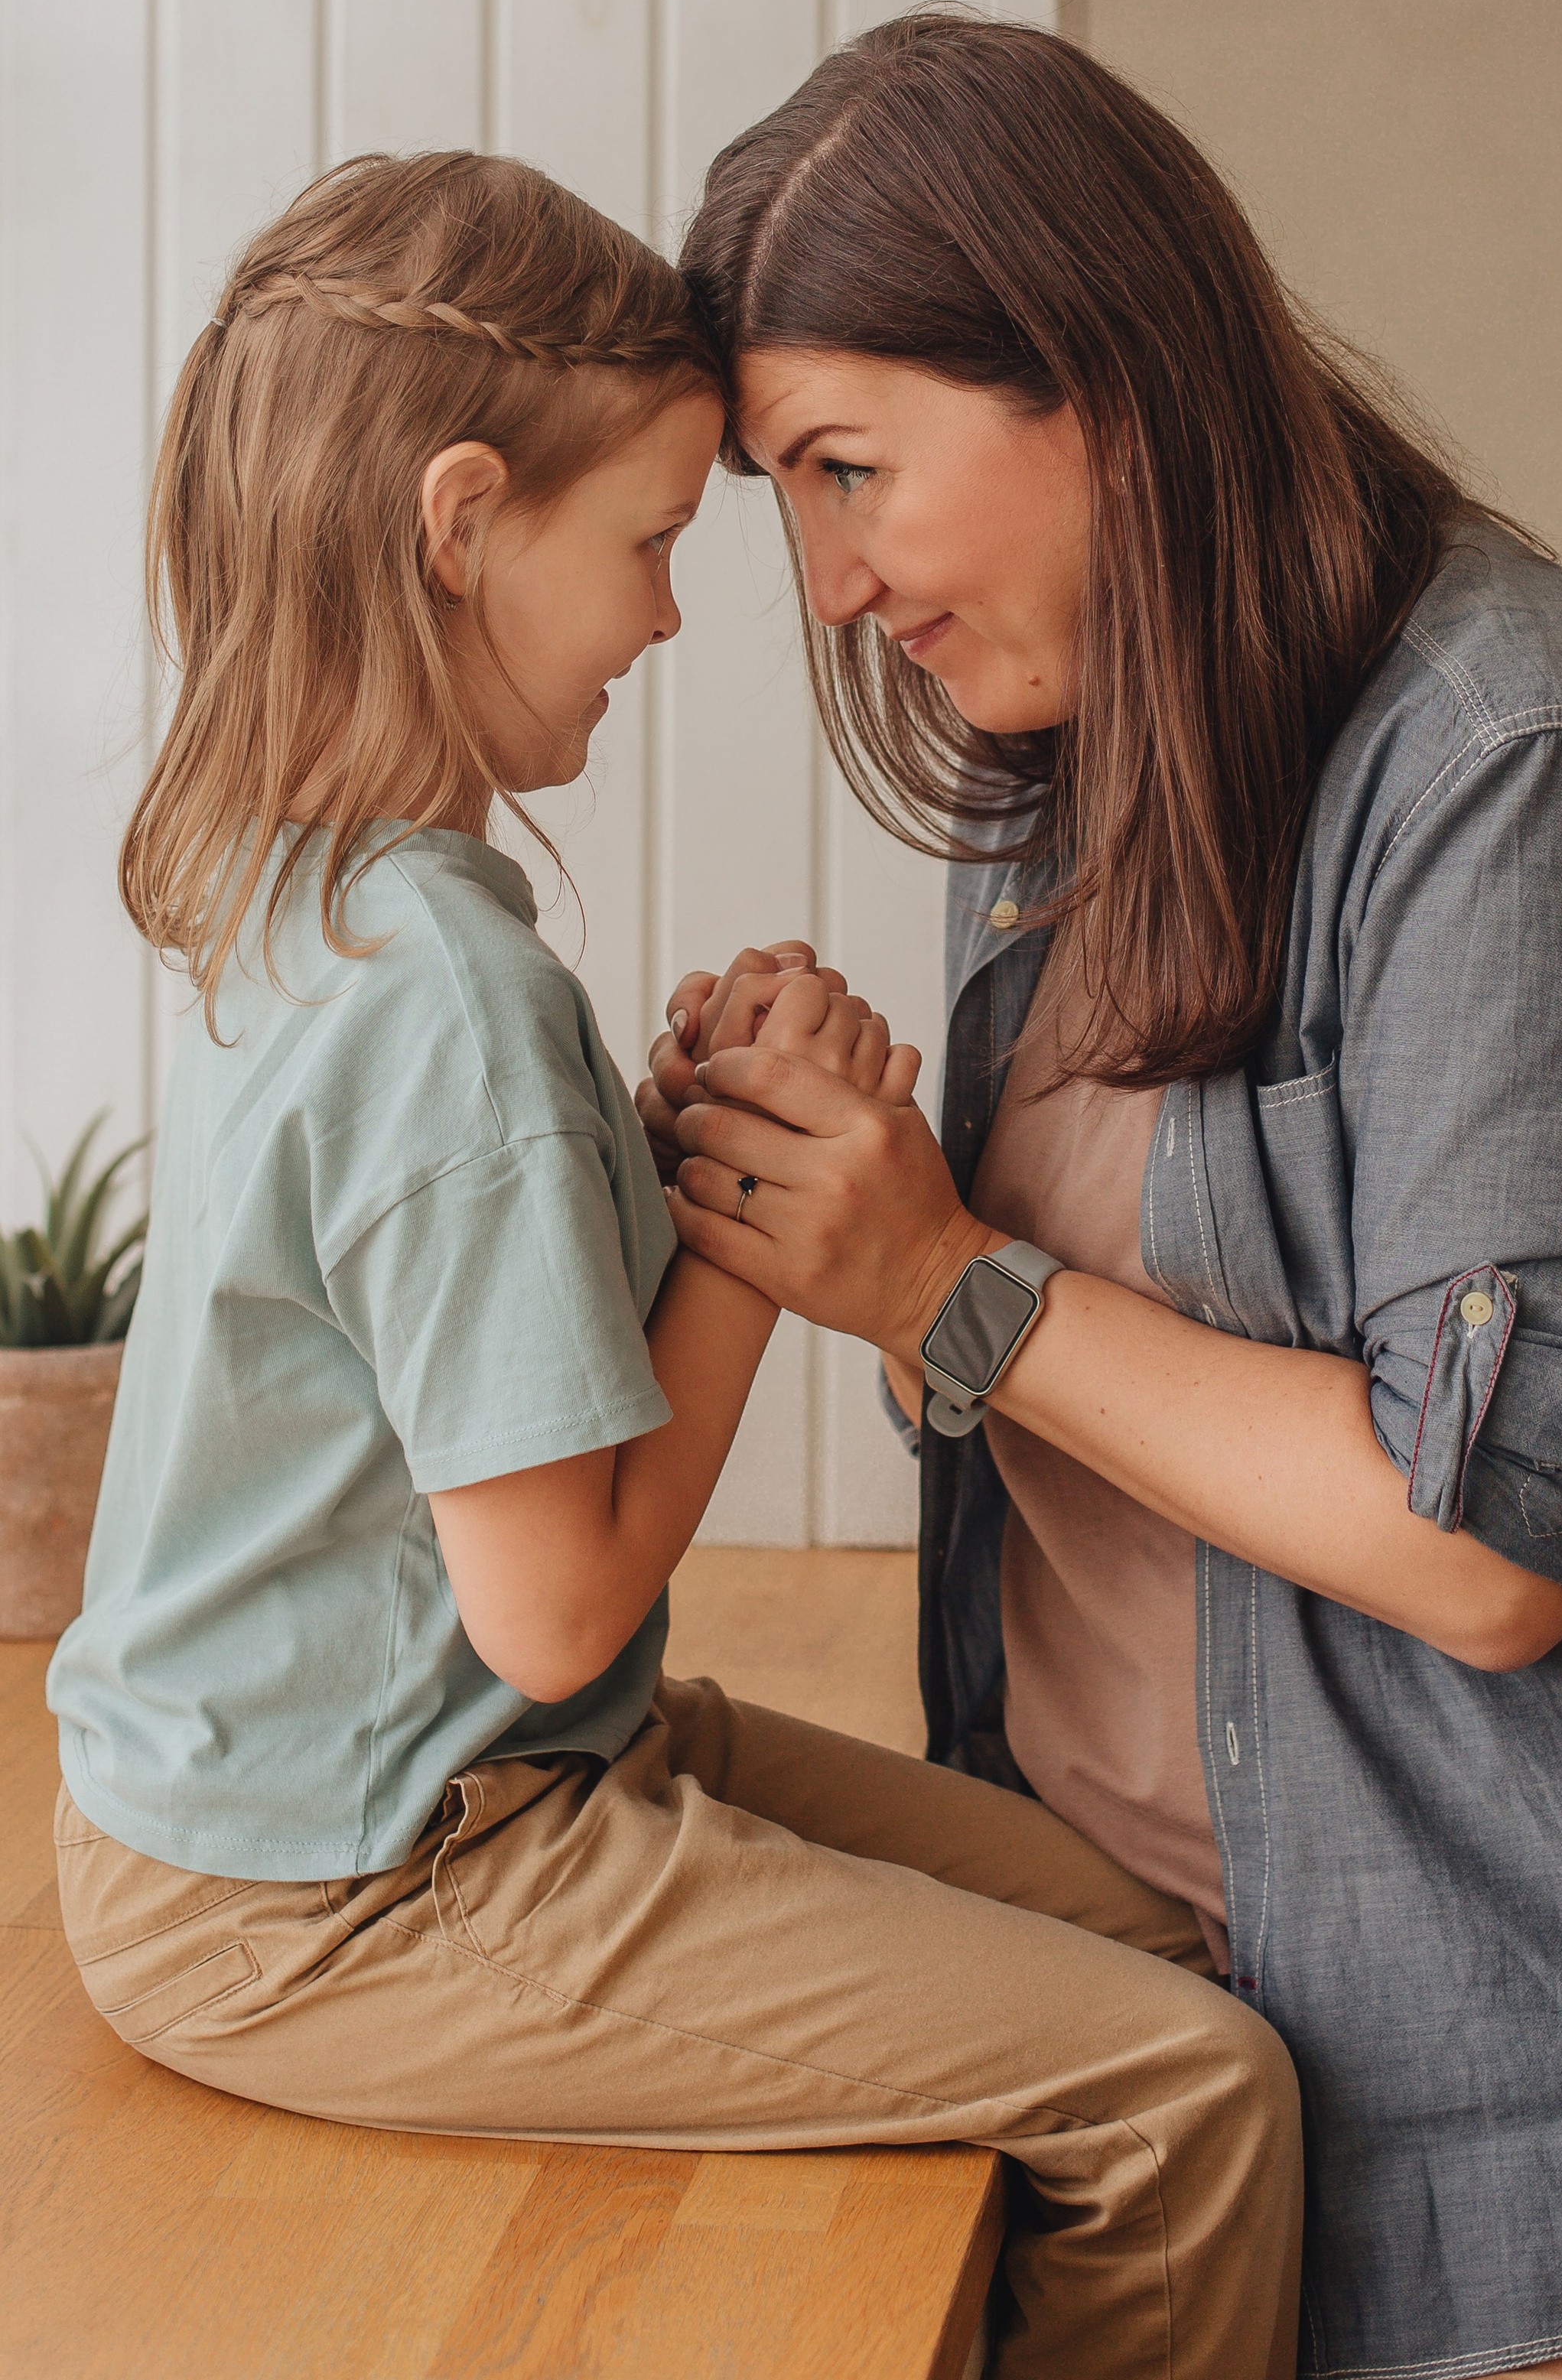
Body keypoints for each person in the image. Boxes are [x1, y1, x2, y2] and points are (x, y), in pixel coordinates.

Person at [640, 13, 1562, 2380]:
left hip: (1546, 2103)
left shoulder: (1529, 768)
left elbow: (1490, 1544)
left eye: (847, 471)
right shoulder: (1068, 762)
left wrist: (939, 1271)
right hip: (1182, 2032)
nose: (825, 581)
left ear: (1095, 374)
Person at [46, 150, 1305, 2380]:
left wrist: (664, 1136)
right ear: (458, 522)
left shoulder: (324, 885)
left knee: (1153, 1938)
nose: (673, 612)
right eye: (644, 540)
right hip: (357, 1878)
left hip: (402, 1785)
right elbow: (552, 1598)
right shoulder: (443, 996)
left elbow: (411, 1312)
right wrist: (747, 1225)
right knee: (1190, 2085)